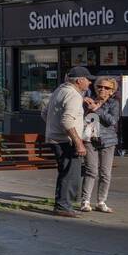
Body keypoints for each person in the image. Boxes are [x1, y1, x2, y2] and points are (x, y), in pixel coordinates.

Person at [45, 68, 91, 217]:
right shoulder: (73, 95)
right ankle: (63, 207)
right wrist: (78, 143)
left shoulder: (60, 90)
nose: (90, 82)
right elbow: (67, 121)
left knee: (65, 172)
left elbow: (44, 113)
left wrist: (54, 128)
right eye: (88, 79)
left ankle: (63, 205)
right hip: (66, 141)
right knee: (69, 174)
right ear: (79, 81)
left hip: (55, 138)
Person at [80, 76, 120, 213]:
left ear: (112, 91)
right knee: (91, 170)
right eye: (99, 86)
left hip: (107, 142)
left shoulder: (113, 104)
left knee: (105, 173)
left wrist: (97, 110)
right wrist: (85, 106)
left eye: (107, 88)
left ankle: (101, 202)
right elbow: (80, 118)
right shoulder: (87, 101)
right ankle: (85, 201)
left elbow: (112, 121)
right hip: (90, 140)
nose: (102, 89)